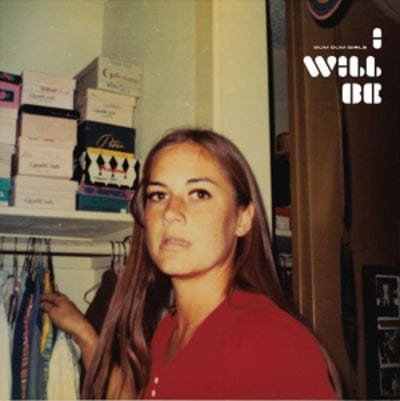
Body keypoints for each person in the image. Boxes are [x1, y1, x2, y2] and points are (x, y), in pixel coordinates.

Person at [41, 128, 340, 399]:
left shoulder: (268, 341)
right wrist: (85, 335)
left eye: (199, 194)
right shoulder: (170, 331)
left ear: (243, 218)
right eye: (158, 195)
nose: (170, 212)